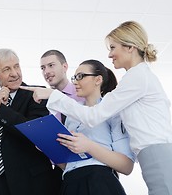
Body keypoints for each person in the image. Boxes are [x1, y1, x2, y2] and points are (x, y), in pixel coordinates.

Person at [21, 21, 172, 195]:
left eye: (113, 48)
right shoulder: (134, 79)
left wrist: (52, 95)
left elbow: (94, 117)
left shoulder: (137, 77)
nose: (109, 55)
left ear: (130, 47)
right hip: (155, 167)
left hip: (164, 166)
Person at [0, 48, 58, 195]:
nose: (15, 73)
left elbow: (34, 133)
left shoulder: (37, 93)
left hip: (30, 183)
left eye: (17, 66)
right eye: (7, 69)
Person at [57, 59, 135, 195]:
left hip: (98, 181)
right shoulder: (72, 115)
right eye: (74, 77)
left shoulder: (113, 111)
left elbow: (126, 166)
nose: (75, 81)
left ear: (98, 80)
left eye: (80, 76)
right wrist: (49, 150)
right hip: (70, 183)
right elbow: (68, 165)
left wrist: (88, 146)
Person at [39, 49, 84, 193]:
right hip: (58, 171)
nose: (46, 71)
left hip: (86, 168)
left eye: (51, 65)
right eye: (43, 68)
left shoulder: (82, 94)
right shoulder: (42, 102)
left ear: (65, 67)